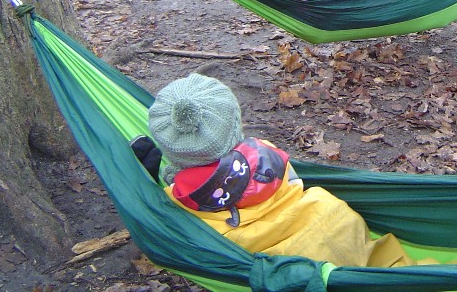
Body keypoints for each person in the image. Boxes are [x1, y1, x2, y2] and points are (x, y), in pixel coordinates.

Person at [132, 73, 416, 268]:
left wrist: (157, 180)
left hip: (286, 259)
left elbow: (180, 227)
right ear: (235, 127)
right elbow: (292, 185)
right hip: (333, 224)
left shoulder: (179, 197)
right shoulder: (265, 151)